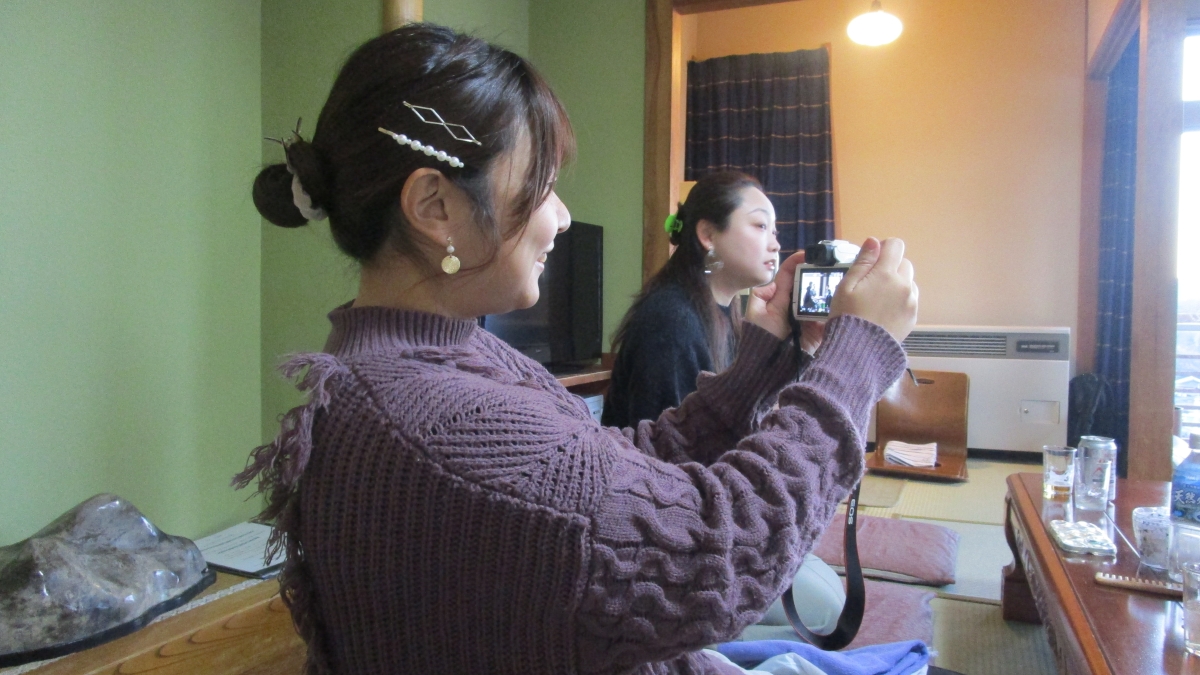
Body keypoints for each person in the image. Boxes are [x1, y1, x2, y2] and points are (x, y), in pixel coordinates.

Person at [236, 23, 918, 675]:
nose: (561, 216)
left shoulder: (438, 356)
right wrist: (857, 357)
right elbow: (721, 550)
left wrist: (762, 358)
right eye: (542, 185)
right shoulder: (432, 421)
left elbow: (619, 466)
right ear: (434, 207)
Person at [603, 172, 796, 428]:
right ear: (708, 235)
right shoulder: (671, 321)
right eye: (761, 226)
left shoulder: (728, 316)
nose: (776, 244)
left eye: (774, 231)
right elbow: (667, 446)